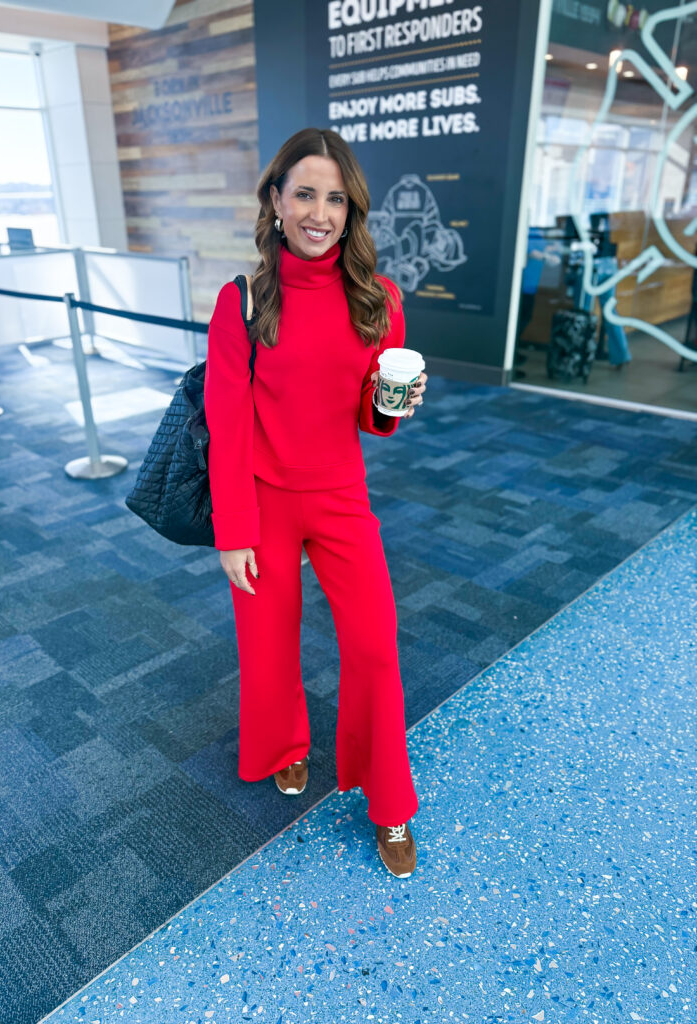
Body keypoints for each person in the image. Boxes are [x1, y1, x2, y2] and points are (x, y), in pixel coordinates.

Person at [204, 127, 428, 880]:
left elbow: (374, 420)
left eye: (335, 198)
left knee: (374, 646)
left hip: (339, 498)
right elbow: (227, 426)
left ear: (351, 209)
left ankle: (389, 800)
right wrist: (232, 529)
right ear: (275, 200)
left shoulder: (379, 299)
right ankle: (286, 748)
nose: (319, 213)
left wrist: (396, 406)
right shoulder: (240, 302)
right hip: (263, 502)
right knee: (268, 649)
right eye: (304, 193)